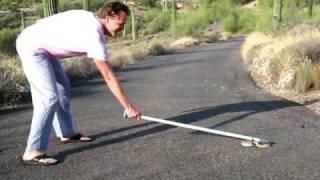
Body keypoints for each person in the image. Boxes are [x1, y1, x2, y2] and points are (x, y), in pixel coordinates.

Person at [16, 1, 141, 166]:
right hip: (31, 47)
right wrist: (128, 107)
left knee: (62, 88)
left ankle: (66, 133)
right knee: (48, 98)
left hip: (43, 47)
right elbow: (108, 76)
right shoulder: (94, 35)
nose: (122, 28)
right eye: (120, 23)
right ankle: (32, 152)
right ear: (108, 17)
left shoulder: (90, 18)